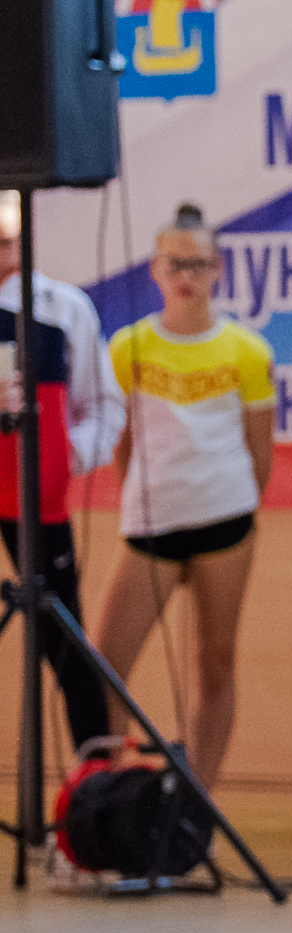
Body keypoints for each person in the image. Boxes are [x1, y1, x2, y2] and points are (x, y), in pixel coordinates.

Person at [91, 204, 275, 791]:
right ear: (155, 269)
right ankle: (109, 794)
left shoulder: (247, 351)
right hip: (152, 526)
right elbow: (120, 442)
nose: (186, 275)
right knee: (104, 664)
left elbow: (259, 450)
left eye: (198, 263)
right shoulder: (129, 347)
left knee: (214, 664)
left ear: (217, 269)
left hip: (225, 520)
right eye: (176, 263)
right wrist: (146, 500)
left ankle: (196, 806)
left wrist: (237, 509)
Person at [0, 191, 124, 763]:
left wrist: (58, 457)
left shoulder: (62, 307)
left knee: (65, 642)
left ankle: (92, 798)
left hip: (31, 500)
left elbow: (106, 408)